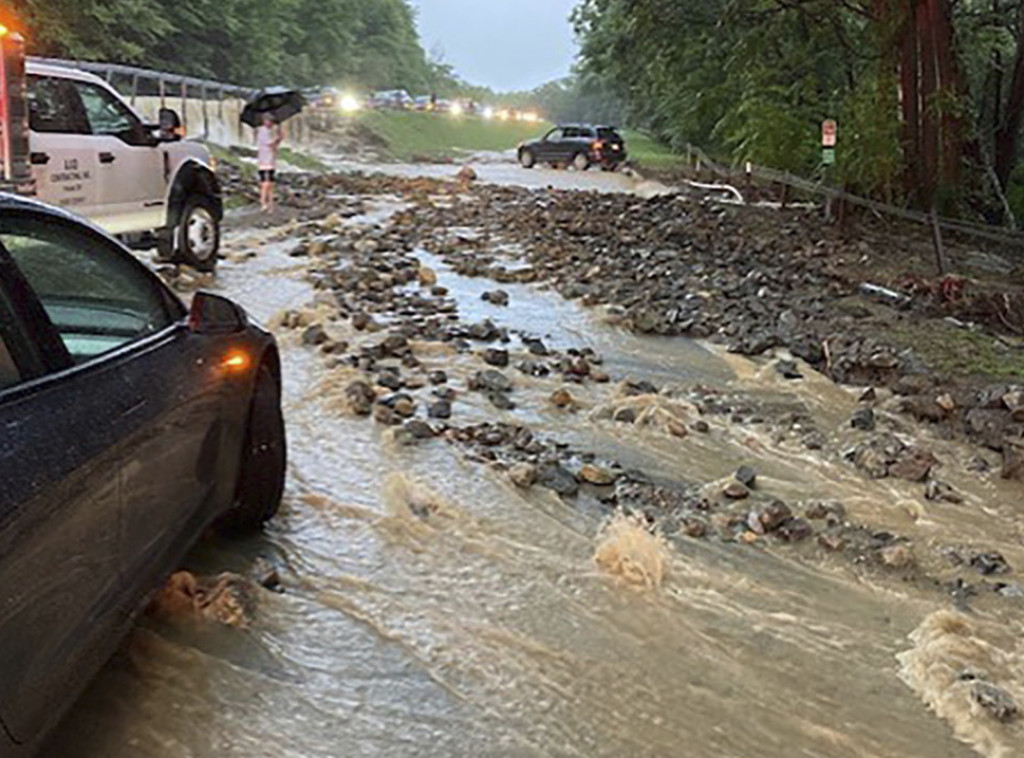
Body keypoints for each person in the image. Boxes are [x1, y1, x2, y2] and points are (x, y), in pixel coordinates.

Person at [256, 113, 283, 213]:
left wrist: (278, 139)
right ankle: (263, 203)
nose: (270, 123)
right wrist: (278, 138)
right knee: (265, 183)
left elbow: (274, 146)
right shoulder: (262, 131)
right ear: (264, 121)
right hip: (264, 160)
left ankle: (270, 205)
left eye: (271, 122)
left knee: (271, 184)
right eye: (268, 121)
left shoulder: (270, 131)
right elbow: (270, 144)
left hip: (270, 160)